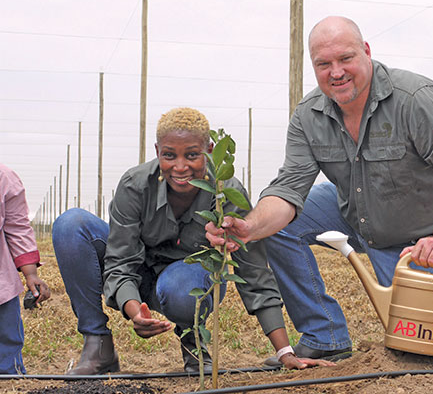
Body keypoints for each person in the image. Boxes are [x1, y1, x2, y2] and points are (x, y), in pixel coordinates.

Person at [205, 16, 433, 364]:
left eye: (345, 59)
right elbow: (289, 188)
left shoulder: (415, 99)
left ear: (367, 52)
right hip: (352, 211)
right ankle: (324, 336)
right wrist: (250, 228)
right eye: (323, 64)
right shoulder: (308, 115)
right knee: (281, 225)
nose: (336, 72)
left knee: (421, 350)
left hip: (418, 238)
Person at [52, 107, 331, 375]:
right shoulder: (135, 185)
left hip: (187, 283)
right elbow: (121, 260)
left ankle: (194, 345)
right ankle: (97, 343)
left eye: (193, 155)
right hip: (139, 277)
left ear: (209, 150)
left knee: (182, 286)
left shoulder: (226, 194)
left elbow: (254, 270)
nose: (180, 167)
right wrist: (135, 310)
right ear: (157, 151)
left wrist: (285, 352)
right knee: (71, 225)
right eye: (169, 155)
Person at [0, 163, 51, 374]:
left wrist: (31, 273)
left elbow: (17, 226)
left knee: (6, 342)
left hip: (1, 285)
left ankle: (9, 375)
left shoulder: (4, 177)